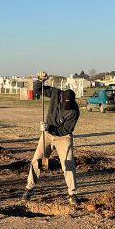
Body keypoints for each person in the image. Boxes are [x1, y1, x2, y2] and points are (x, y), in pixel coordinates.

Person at [23, 71, 80, 205]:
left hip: (63, 137)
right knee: (36, 160)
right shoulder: (56, 93)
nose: (66, 107)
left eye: (68, 106)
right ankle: (29, 188)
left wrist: (49, 127)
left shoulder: (74, 111)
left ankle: (72, 193)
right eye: (64, 105)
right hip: (47, 136)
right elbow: (37, 89)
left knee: (68, 164)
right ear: (60, 98)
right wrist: (40, 80)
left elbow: (66, 129)